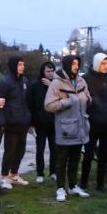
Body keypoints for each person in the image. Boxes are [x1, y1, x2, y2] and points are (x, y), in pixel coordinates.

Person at [45, 55, 92, 202]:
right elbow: (49, 105)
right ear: (66, 65)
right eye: (73, 64)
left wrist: (88, 99)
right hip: (65, 128)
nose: (76, 66)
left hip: (80, 126)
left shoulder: (81, 80)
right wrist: (67, 101)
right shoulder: (56, 83)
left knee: (75, 158)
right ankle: (60, 188)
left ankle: (72, 186)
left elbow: (88, 97)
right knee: (62, 159)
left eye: (77, 63)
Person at [81, 53, 107, 192]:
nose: (105, 66)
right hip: (92, 123)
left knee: (104, 155)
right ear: (96, 63)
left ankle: (100, 183)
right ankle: (83, 183)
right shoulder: (85, 79)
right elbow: (81, 99)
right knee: (88, 154)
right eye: (103, 64)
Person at [0, 56, 31, 189]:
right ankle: (4, 177)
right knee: (9, 150)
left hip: (23, 122)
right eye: (19, 64)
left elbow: (27, 101)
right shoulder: (5, 82)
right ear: (13, 66)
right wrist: (5, 119)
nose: (22, 67)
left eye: (23, 64)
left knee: (21, 150)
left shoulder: (24, 80)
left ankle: (14, 174)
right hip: (11, 122)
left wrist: (29, 117)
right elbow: (1, 103)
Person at [27, 61, 56, 183]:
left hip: (54, 122)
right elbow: (30, 104)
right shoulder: (34, 85)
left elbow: (62, 98)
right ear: (42, 72)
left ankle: (54, 172)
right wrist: (31, 123)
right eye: (48, 71)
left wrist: (52, 86)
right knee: (40, 148)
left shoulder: (56, 84)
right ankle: (40, 173)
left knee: (54, 148)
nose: (50, 73)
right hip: (40, 123)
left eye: (52, 71)